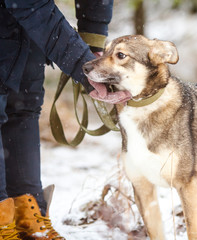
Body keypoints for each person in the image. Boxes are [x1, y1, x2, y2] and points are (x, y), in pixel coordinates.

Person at [0, 0, 126, 239]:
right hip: (26, 9)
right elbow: (31, 6)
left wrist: (93, 38)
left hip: (26, 27)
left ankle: (28, 216)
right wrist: (82, 65)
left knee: (24, 105)